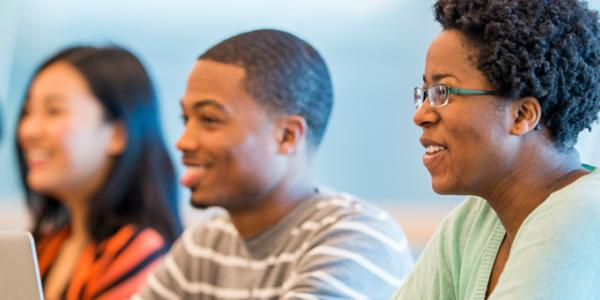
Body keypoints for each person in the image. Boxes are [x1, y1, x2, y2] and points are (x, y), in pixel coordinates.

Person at [133, 29, 413, 300]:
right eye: (186, 120)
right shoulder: (206, 243)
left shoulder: (359, 237)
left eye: (209, 119)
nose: (184, 141)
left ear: (286, 136)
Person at [394, 0, 600, 299]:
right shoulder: (473, 222)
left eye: (443, 92)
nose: (421, 115)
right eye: (425, 94)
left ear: (522, 115)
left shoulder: (583, 214)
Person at [16, 46, 182, 300]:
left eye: (53, 111)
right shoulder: (48, 244)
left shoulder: (137, 252)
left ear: (117, 134)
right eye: (28, 111)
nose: (29, 130)